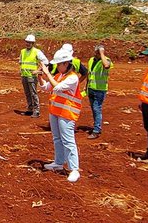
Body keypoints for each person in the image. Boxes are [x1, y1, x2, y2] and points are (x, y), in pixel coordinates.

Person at [40, 45, 83, 182]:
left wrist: (47, 73)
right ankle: (58, 163)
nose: (57, 67)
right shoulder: (59, 75)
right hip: (55, 112)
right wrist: (40, 77)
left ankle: (74, 169)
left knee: (68, 141)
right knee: (57, 138)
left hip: (67, 113)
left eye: (59, 64)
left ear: (66, 63)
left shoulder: (72, 78)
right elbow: (47, 87)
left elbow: (57, 88)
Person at [86, 44, 113, 139]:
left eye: (99, 52)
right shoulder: (91, 60)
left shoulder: (106, 60)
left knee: (97, 109)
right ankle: (96, 126)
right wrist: (86, 88)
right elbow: (89, 74)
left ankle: (96, 130)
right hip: (91, 88)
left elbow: (106, 65)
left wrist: (102, 54)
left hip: (100, 90)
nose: (96, 53)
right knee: (94, 109)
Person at [19, 34, 48, 117]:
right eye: (27, 42)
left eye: (30, 42)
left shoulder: (37, 52)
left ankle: (36, 110)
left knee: (33, 93)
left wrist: (38, 71)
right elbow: (21, 62)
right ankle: (30, 108)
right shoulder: (23, 51)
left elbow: (45, 62)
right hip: (24, 75)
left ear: (33, 43)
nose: (28, 44)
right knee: (27, 93)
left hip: (32, 76)